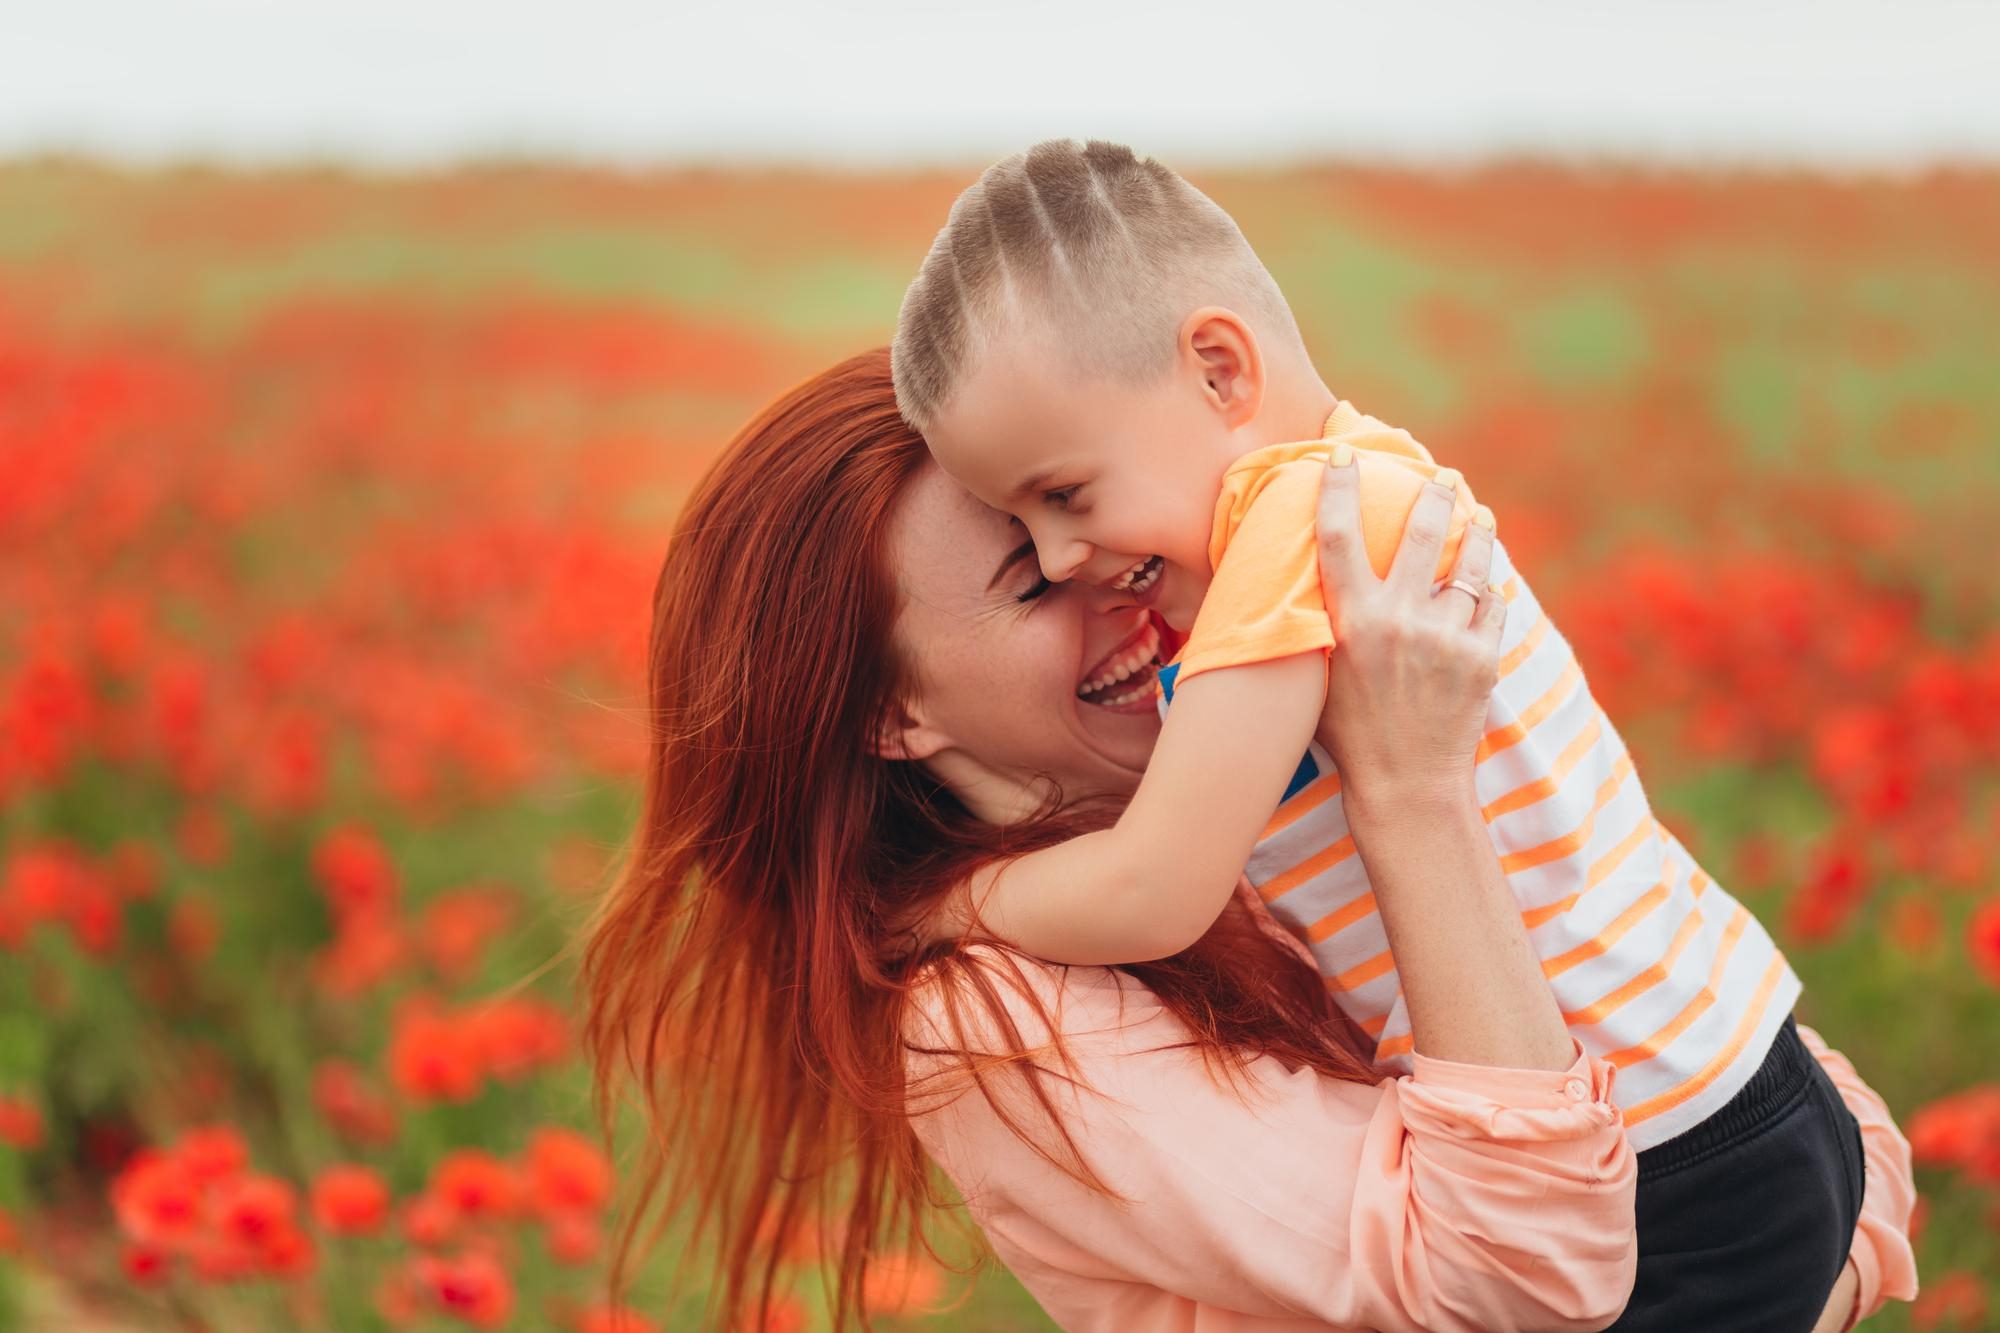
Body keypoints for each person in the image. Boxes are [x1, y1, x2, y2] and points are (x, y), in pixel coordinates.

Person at [582, 349, 1914, 1331]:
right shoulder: (992, 1012)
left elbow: (1801, 1103)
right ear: (888, 712)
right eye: (1035, 577)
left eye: (1089, 521)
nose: (1114, 575)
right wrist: (1416, 797)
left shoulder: (1233, 790)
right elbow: (1534, 1279)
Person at [889, 139, 1919, 1328]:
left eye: (1062, 496)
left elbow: (1157, 887)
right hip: (1735, 1093)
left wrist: (946, 908)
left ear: (1219, 372)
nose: (1068, 554)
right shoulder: (1364, 495)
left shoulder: (1303, 535)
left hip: (1658, 1164)